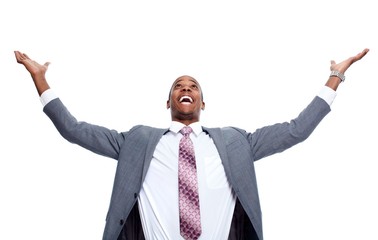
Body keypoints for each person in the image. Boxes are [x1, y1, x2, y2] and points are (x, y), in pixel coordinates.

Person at [14, 48, 369, 240]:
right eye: (178, 86)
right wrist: (41, 81)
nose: (186, 88)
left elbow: (296, 130)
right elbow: (75, 130)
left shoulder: (237, 142)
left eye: (193, 86)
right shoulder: (136, 141)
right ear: (168, 101)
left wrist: (334, 78)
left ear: (203, 102)